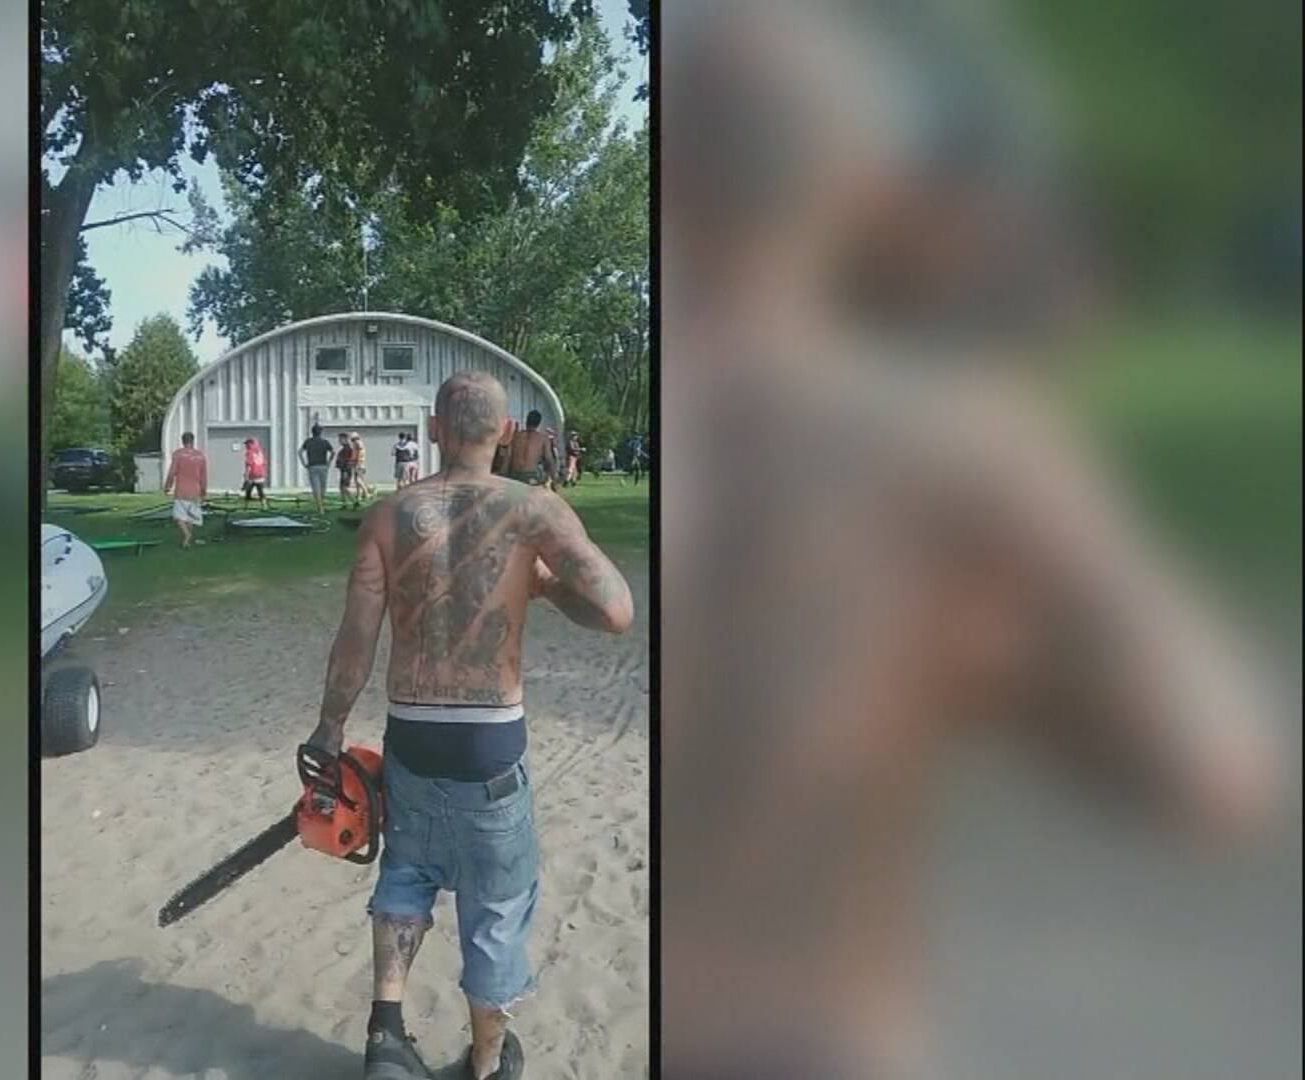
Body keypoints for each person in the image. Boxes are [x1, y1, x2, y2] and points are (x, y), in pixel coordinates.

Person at [654, 5, 1283, 1077]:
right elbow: (1217, 764)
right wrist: (988, 670)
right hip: (811, 1037)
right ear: (861, 189)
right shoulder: (947, 448)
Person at [303, 370, 634, 1080]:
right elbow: (615, 611)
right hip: (490, 744)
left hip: (411, 736)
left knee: (406, 873)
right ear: (506, 432)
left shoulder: (388, 515)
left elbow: (356, 637)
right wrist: (545, 589)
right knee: (497, 907)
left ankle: (386, 1037)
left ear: (434, 429)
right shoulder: (533, 509)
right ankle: (486, 1063)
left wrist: (330, 729)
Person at [161, 432, 208, 548]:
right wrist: (203, 490)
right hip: (195, 491)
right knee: (191, 516)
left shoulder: (178, 454)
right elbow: (204, 476)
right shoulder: (200, 456)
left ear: (183, 441)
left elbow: (172, 472)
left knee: (179, 517)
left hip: (181, 490)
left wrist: (168, 486)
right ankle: (188, 541)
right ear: (193, 441)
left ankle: (186, 534)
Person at [502, 410, 559, 491]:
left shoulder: (516, 436)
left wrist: (503, 475)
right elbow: (549, 460)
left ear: (527, 421)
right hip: (530, 475)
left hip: (514, 474)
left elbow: (507, 456)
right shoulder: (543, 439)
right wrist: (554, 480)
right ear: (538, 423)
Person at [302, 423, 336, 515]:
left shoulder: (308, 442)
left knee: (315, 487)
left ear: (312, 432)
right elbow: (333, 452)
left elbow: (300, 452)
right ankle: (321, 505)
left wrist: (304, 463)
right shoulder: (325, 442)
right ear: (320, 432)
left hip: (312, 466)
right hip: (323, 466)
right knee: (323, 486)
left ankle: (320, 507)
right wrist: (329, 462)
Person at [241, 437, 269, 507]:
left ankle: (246, 506)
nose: (246, 446)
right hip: (260, 475)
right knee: (261, 491)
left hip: (252, 475)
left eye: (247, 444)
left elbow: (249, 464)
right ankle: (264, 505)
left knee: (248, 491)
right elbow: (264, 463)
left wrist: (246, 476)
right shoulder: (260, 452)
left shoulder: (250, 452)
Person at [336, 432, 359, 508]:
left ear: (345, 439)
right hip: (343, 470)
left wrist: (346, 470)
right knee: (341, 487)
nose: (339, 441)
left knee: (344, 487)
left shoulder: (348, 449)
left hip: (346, 470)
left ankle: (354, 501)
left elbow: (349, 461)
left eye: (341, 439)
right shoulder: (343, 449)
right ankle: (344, 503)